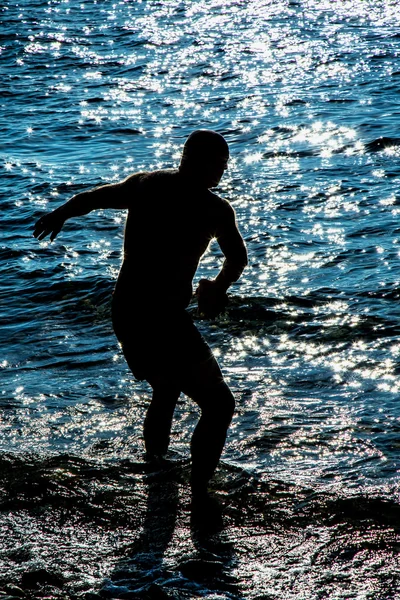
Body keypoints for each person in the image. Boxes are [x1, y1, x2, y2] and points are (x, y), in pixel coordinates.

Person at [33, 129, 248, 499]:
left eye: (226, 163)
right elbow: (237, 257)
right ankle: (200, 493)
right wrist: (217, 286)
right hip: (162, 317)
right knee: (220, 404)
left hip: (127, 311)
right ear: (196, 160)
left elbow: (95, 197)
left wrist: (61, 212)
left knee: (166, 389)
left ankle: (157, 470)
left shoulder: (147, 185)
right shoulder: (214, 208)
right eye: (219, 162)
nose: (223, 170)